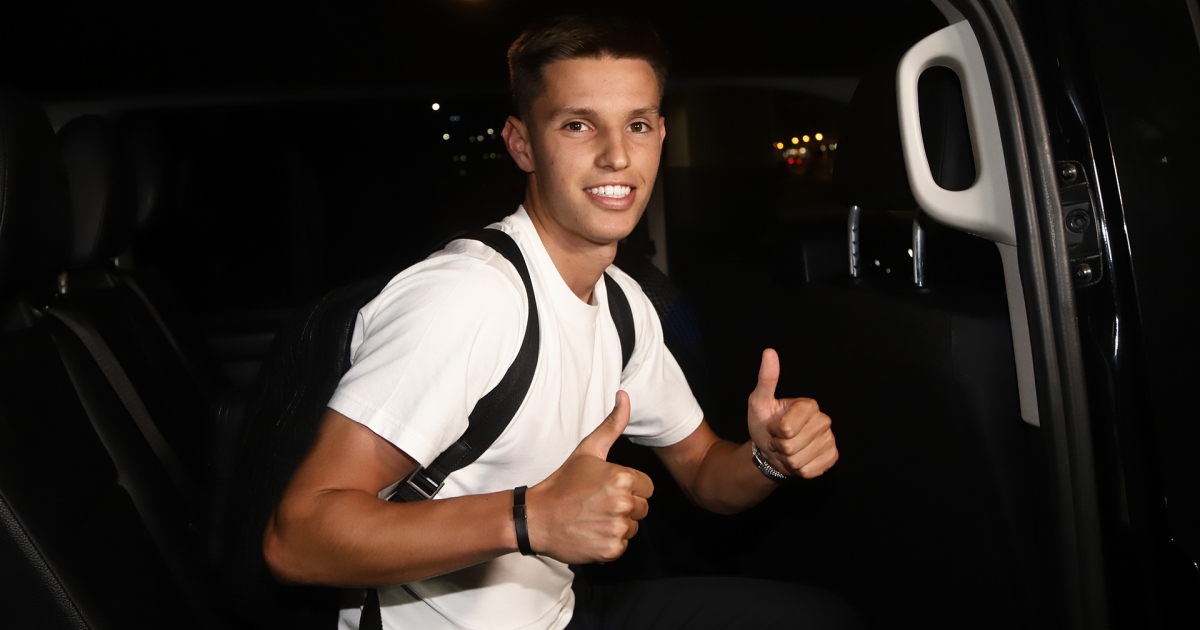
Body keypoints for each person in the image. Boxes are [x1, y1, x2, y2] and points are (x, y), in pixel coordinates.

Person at [263, 14, 855, 630]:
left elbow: (705, 471)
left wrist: (767, 458)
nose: (617, 156)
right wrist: (532, 518)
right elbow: (296, 540)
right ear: (522, 145)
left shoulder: (622, 304)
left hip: (562, 613)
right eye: (578, 125)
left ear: (659, 135)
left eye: (638, 125)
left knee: (817, 618)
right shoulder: (467, 298)